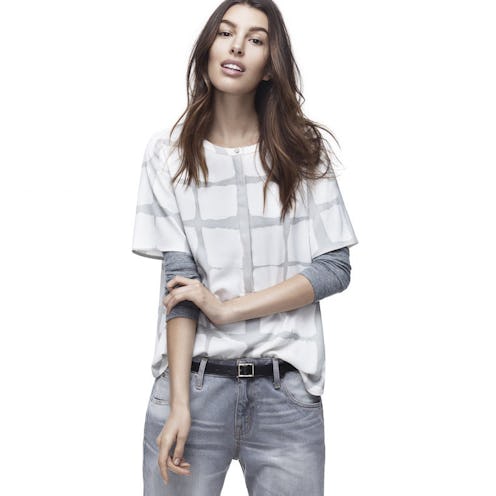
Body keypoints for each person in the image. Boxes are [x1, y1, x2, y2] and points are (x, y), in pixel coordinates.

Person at [131, 1, 359, 494]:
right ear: (207, 46)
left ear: (270, 64)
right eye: (225, 33)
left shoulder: (303, 151)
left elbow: (334, 267)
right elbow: (179, 282)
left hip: (285, 394)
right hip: (194, 385)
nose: (236, 47)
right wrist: (179, 405)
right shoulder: (168, 153)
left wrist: (227, 310)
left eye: (255, 40)